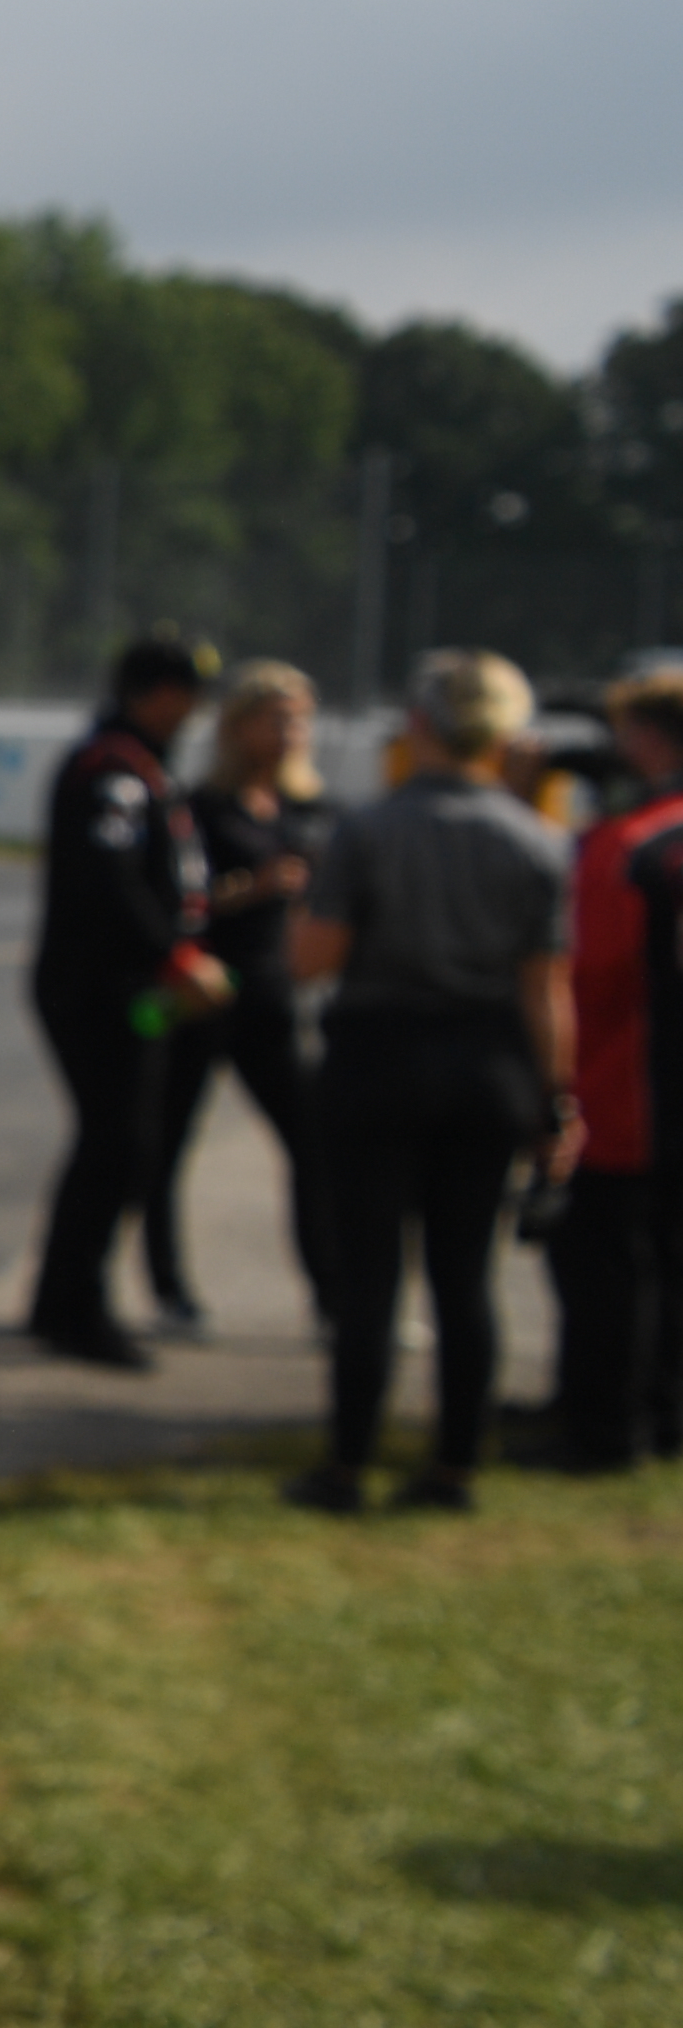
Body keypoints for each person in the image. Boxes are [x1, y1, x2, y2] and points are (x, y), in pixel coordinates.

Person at [287, 648, 577, 1512]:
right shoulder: (536, 840)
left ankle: (346, 1462)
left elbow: (316, 960)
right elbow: (545, 990)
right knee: (466, 1273)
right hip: (487, 1064)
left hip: (379, 1054)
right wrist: (557, 1098)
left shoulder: (368, 829)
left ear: (418, 727)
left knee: (372, 1271)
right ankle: (454, 1465)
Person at [22, 634, 225, 1369]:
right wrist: (174, 956)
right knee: (118, 1144)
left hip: (130, 991)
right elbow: (107, 880)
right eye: (189, 693)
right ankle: (77, 1307)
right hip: (103, 990)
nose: (197, 711)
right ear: (158, 693)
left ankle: (61, 1299)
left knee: (118, 1143)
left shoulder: (137, 766)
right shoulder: (111, 769)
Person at [142, 658, 331, 1338]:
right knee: (165, 1146)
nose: (292, 731)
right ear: (238, 726)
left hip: (273, 999)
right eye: (278, 718)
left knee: (314, 1145)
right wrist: (250, 887)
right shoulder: (200, 808)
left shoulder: (304, 809)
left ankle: (332, 1297)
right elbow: (176, 904)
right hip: (202, 997)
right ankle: (170, 1292)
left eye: (301, 719)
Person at [533, 670, 683, 1464]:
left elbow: (584, 975)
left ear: (648, 738)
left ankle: (602, 1430)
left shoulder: (625, 847)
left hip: (630, 1089)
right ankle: (663, 1415)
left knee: (606, 1266)